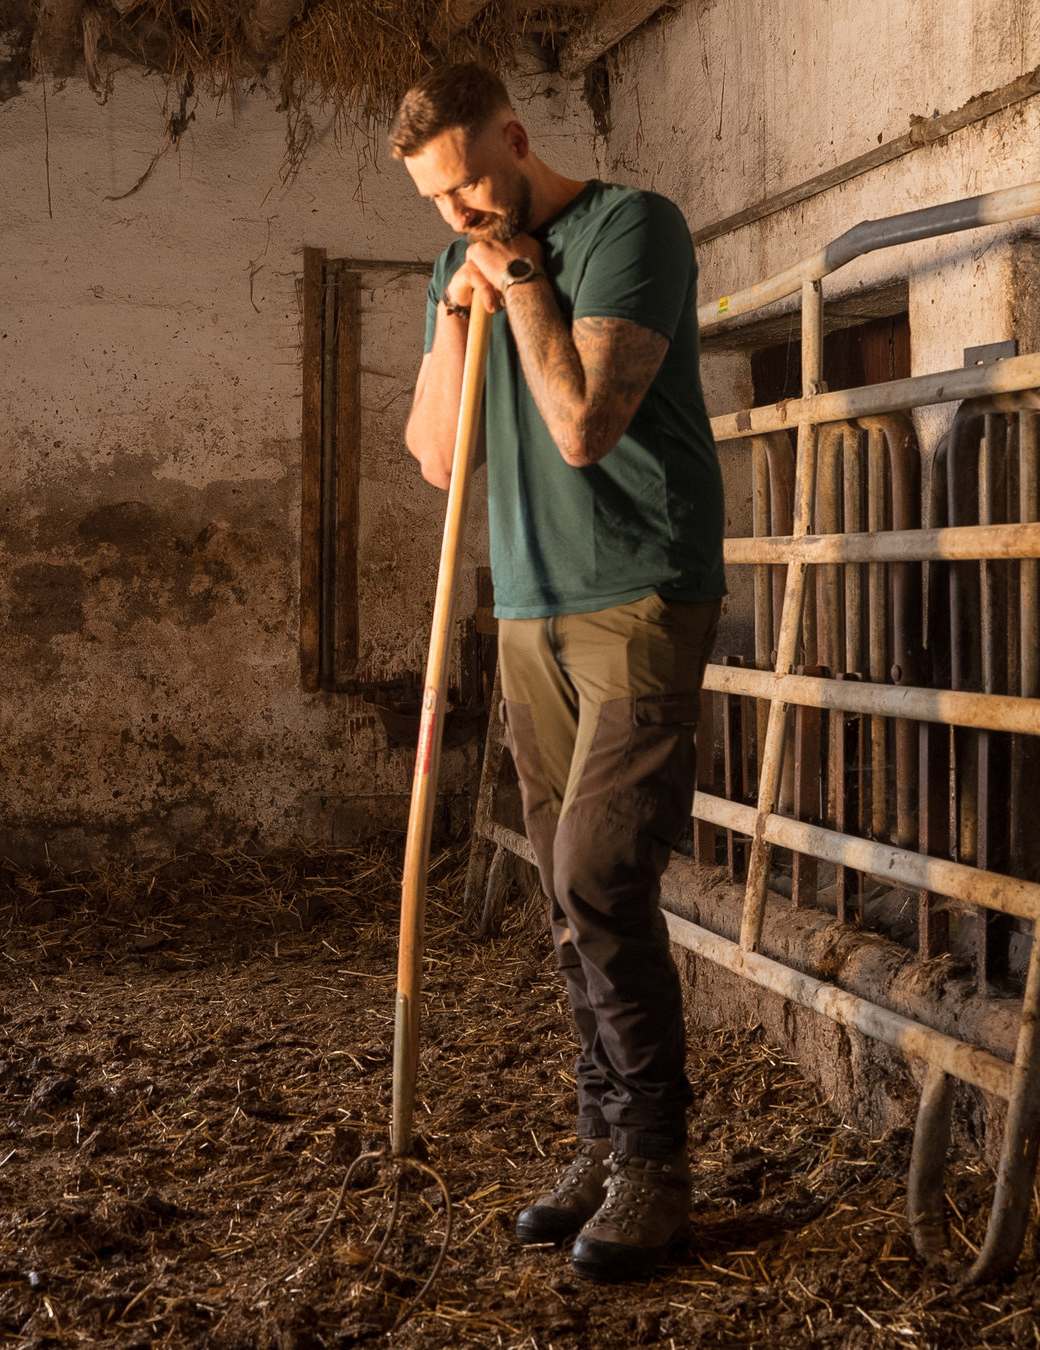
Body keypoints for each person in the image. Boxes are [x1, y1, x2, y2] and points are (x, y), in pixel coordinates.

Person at [393, 63, 725, 1282]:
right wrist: (454, 307)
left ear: (517, 141)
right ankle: (597, 1139)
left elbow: (583, 427)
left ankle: (656, 1164)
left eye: (471, 181)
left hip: (642, 589)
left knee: (598, 873)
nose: (460, 213)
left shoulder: (629, 228)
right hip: (527, 602)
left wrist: (521, 277)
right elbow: (439, 458)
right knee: (558, 891)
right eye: (435, 199)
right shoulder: (458, 265)